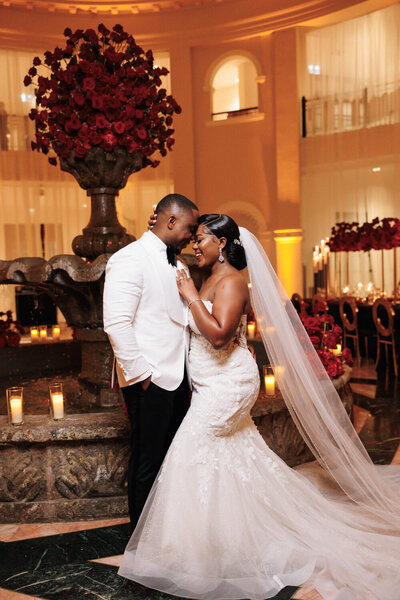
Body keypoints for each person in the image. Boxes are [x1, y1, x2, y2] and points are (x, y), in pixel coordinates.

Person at [118, 213, 400, 600]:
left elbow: (217, 336)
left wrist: (191, 299)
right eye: (195, 238)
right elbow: (224, 327)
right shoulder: (207, 277)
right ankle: (224, 536)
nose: (195, 245)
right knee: (234, 454)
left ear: (222, 245)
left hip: (225, 385)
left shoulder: (232, 280)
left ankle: (190, 553)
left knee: (188, 450)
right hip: (208, 382)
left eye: (201, 238)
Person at [103, 193, 199, 531]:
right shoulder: (128, 259)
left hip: (179, 380)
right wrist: (144, 378)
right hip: (150, 380)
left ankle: (165, 532)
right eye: (189, 228)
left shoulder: (180, 264)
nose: (191, 235)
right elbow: (117, 323)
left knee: (170, 462)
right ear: (170, 221)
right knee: (147, 462)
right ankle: (141, 540)